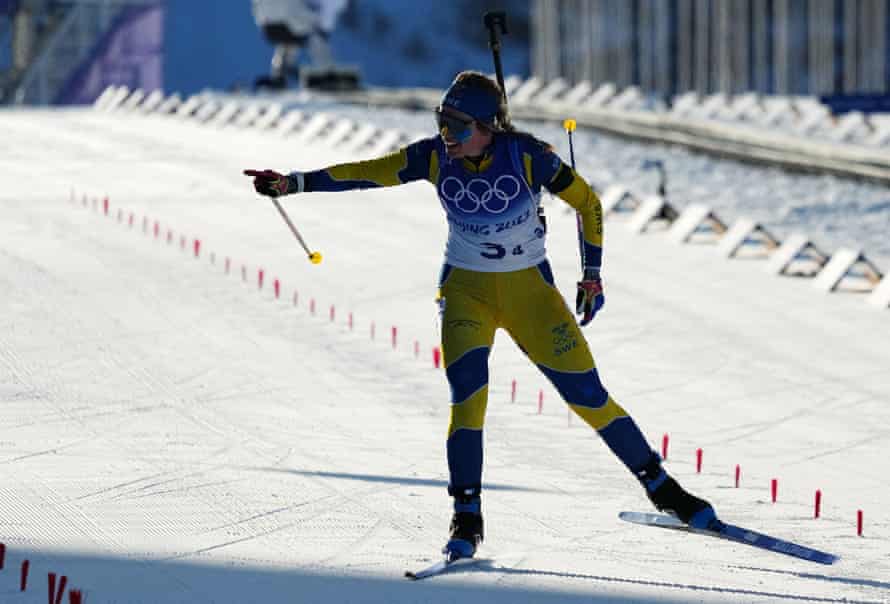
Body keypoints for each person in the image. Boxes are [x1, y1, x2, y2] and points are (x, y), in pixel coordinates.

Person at [244, 70, 717, 560]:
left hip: (531, 294)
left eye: (459, 127)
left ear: (489, 126)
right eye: (443, 123)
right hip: (466, 293)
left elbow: (588, 203)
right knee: (468, 402)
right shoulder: (433, 156)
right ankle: (466, 517)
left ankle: (664, 490)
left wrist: (592, 275)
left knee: (589, 397)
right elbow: (368, 172)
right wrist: (293, 182)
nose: (447, 135)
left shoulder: (528, 157)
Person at [251, 0, 347, 89]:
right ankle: (328, 73)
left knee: (288, 42)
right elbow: (297, 11)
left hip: (268, 26)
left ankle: (279, 74)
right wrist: (315, 20)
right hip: (288, 20)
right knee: (314, 37)